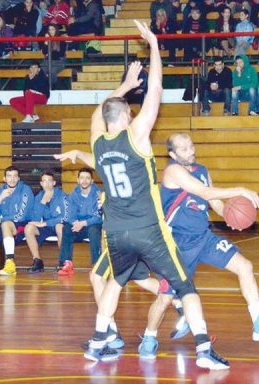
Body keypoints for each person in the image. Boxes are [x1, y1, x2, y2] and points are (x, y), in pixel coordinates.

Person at [58, 20, 228, 370]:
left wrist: (123, 86)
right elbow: (156, 90)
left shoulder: (97, 141)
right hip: (150, 229)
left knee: (114, 283)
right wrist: (153, 44)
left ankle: (99, 340)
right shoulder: (136, 136)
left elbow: (99, 112)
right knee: (185, 286)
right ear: (125, 114)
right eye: (128, 109)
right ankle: (203, 349)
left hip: (116, 231)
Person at [137, 133, 259, 358]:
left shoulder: (202, 170)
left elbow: (214, 201)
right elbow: (203, 192)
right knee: (166, 297)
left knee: (245, 266)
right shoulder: (172, 171)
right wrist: (241, 190)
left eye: (191, 146)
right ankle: (149, 337)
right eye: (184, 149)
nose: (191, 151)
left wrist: (231, 216)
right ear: (173, 154)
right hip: (178, 244)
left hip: (204, 238)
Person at [57, 167, 102, 275]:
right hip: (79, 225)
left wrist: (83, 223)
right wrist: (76, 223)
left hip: (93, 224)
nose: (84, 180)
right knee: (67, 229)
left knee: (94, 231)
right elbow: (70, 214)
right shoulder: (74, 194)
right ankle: (67, 263)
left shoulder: (99, 194)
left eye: (87, 178)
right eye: (82, 178)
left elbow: (98, 216)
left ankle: (96, 264)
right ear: (78, 180)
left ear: (92, 181)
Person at [0, 165, 34, 276]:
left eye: (15, 176)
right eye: (9, 176)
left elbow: (22, 215)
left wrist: (0, 220)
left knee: (5, 224)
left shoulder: (25, 190)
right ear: (4, 178)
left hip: (22, 224)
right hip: (3, 223)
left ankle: (10, 263)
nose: (12, 179)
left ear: (19, 178)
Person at [21, 171, 67, 274]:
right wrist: (42, 202)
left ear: (54, 183)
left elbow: (65, 217)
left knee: (60, 227)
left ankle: (63, 262)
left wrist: (46, 223)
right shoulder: (38, 197)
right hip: (46, 227)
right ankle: (37, 261)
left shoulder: (61, 195)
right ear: (41, 183)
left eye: (49, 181)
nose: (47, 184)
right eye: (44, 181)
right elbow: (35, 219)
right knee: (28, 228)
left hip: (58, 224)